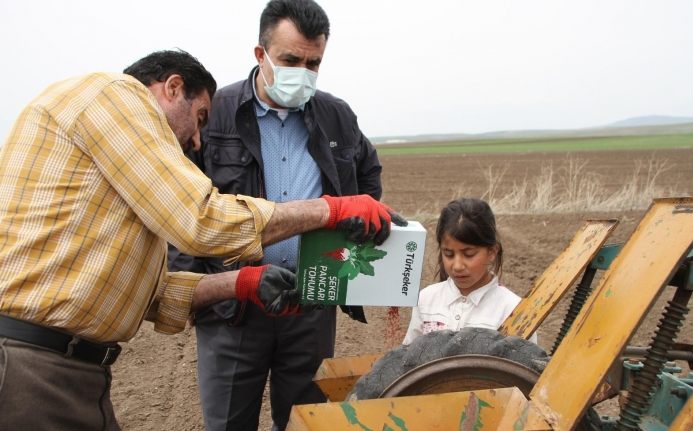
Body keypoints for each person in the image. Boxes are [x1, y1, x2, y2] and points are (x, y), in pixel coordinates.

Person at [0, 49, 404, 430]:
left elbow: (149, 296)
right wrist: (329, 210)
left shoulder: (121, 185)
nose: (197, 140)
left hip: (73, 369)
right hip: (33, 364)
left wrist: (242, 283)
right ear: (173, 87)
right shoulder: (115, 95)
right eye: (200, 117)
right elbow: (201, 220)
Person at [167, 1, 384, 429]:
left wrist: (354, 241)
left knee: (306, 421)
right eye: (290, 60)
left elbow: (367, 176)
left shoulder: (337, 116)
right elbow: (180, 205)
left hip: (310, 303)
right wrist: (197, 292)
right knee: (229, 421)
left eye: (313, 62)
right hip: (234, 308)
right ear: (260, 55)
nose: (302, 72)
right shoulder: (217, 113)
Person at [402, 198, 537, 345]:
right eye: (448, 254)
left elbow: (523, 366)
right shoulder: (426, 299)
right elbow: (409, 358)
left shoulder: (512, 310)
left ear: (492, 252)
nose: (457, 266)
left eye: (469, 254)